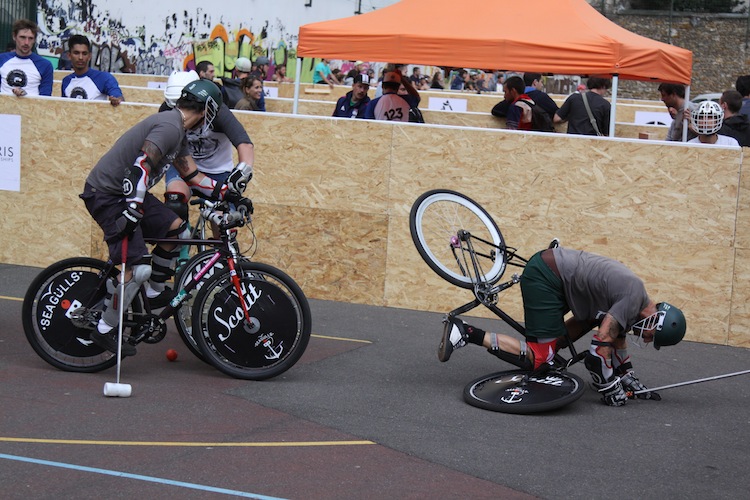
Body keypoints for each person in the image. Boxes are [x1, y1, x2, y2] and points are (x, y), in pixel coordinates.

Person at [80, 79, 253, 356]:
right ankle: (103, 329)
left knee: (177, 229)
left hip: (126, 195)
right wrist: (133, 208)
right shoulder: (169, 127)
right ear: (207, 108)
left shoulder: (179, 131)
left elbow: (192, 175)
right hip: (109, 196)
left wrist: (226, 192)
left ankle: (152, 291)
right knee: (139, 269)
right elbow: (141, 168)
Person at [439, 245, 687, 407]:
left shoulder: (635, 299)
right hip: (546, 277)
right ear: (657, 321)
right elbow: (600, 349)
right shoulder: (633, 296)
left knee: (598, 322)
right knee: (539, 360)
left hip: (558, 275)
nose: (645, 340)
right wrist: (610, 386)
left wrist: (627, 376)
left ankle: (549, 344)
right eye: (652, 337)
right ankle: (466, 332)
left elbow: (618, 336)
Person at [158, 71, 255, 245]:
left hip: (216, 170)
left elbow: (244, 144)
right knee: (175, 201)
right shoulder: (166, 109)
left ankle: (220, 263)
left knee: (224, 224)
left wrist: (242, 172)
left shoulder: (217, 110)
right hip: (183, 166)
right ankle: (179, 252)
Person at [60, 35, 123, 107]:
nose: (80, 57)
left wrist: (116, 99)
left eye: (84, 53)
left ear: (89, 56)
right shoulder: (66, 81)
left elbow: (118, 97)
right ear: (69, 55)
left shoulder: (104, 78)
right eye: (76, 53)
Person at [0, 19, 53, 97]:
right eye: (22, 37)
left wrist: (25, 96)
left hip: (32, 108)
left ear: (34, 40)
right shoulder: (2, 59)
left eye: (30, 38)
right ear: (14, 37)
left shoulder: (45, 65)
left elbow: (45, 98)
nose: (26, 43)